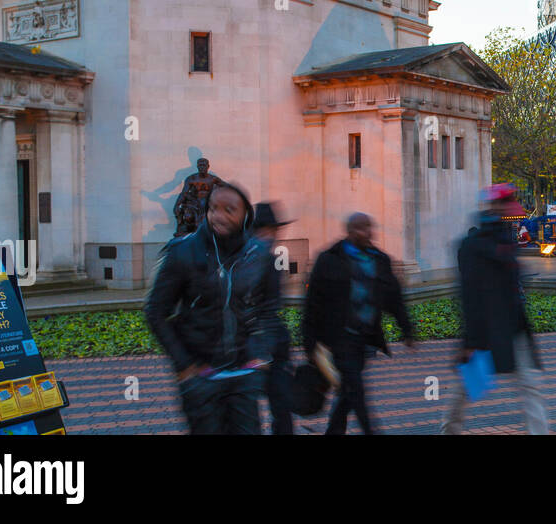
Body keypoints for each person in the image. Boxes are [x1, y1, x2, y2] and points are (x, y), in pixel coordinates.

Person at [145, 181, 279, 434]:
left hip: (242, 374)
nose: (219, 215)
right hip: (201, 377)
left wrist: (260, 351)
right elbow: (155, 311)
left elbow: (268, 309)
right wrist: (184, 365)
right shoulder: (183, 252)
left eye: (230, 209)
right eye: (213, 208)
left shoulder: (258, 255)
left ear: (245, 215)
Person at [442, 184, 548, 434]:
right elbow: (468, 295)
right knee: (463, 391)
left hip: (513, 328)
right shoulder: (472, 245)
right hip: (485, 331)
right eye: (504, 206)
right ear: (493, 206)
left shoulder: (505, 239)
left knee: (530, 387)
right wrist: (470, 340)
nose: (508, 213)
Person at [304, 212, 416, 434]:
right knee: (356, 390)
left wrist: (407, 330)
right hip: (339, 338)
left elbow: (394, 297)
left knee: (348, 391)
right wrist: (310, 343)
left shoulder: (379, 260)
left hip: (365, 337)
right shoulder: (329, 259)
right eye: (359, 228)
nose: (366, 232)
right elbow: (313, 303)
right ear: (349, 231)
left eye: (368, 227)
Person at [252, 201, 294, 435]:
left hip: (262, 345)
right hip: (263, 347)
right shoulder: (264, 260)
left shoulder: (253, 256)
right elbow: (267, 308)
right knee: (278, 406)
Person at [172, 157, 224, 238]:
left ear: (208, 166)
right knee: (189, 216)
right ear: (197, 166)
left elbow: (226, 186)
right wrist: (177, 205)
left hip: (207, 203)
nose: (202, 167)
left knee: (209, 214)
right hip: (194, 203)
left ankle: (204, 231)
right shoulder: (191, 179)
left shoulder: (213, 179)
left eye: (204, 165)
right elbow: (184, 193)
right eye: (200, 165)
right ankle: (191, 231)